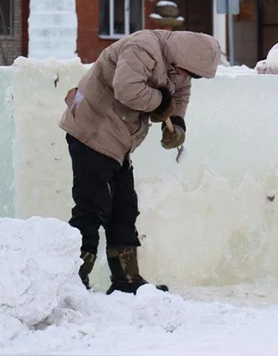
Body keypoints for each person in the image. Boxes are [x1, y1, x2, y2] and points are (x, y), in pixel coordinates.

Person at [60, 29, 221, 294]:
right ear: (181, 62)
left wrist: (177, 122)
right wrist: (161, 102)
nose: (187, 79)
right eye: (189, 73)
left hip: (118, 141)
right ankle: (72, 277)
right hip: (92, 130)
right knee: (93, 206)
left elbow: (180, 95)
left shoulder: (178, 68)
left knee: (124, 207)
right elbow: (127, 89)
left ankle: (126, 279)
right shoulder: (143, 48)